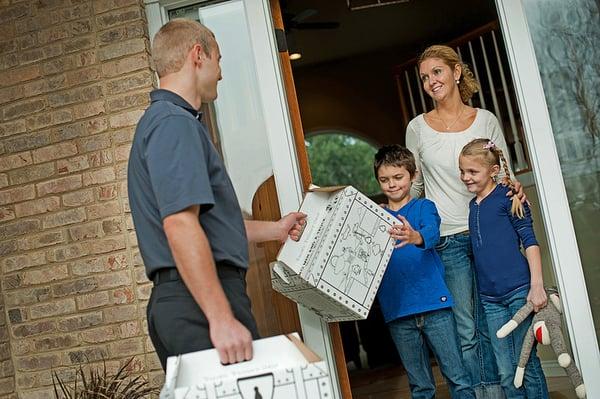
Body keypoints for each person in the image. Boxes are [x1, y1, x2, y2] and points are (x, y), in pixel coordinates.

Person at [127, 19, 306, 371]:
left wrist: (275, 230)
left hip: (190, 301)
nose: (221, 72)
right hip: (197, 305)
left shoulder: (171, 122)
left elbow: (208, 225)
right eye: (219, 60)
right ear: (198, 55)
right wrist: (220, 317)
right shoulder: (173, 124)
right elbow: (180, 224)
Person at [406, 44, 526, 399]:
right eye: (424, 77)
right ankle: (481, 394)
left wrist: (516, 196)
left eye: (437, 72)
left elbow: (503, 173)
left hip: (489, 233)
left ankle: (505, 390)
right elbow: (414, 185)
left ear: (456, 72)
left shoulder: (486, 120)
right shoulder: (418, 128)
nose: (431, 82)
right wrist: (399, 220)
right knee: (466, 329)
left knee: (496, 320)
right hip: (447, 239)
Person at [375, 144, 475, 399]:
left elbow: (431, 233)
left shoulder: (424, 207)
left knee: (458, 379)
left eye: (398, 177)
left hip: (435, 306)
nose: (392, 184)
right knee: (420, 387)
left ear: (413, 176)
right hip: (397, 311)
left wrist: (414, 235)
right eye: (384, 179)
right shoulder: (375, 216)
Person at [459, 138, 549, 398]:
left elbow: (530, 242)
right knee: (505, 368)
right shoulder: (472, 205)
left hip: (519, 292)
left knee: (526, 363)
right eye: (462, 171)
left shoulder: (508, 197)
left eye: (472, 171)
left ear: (493, 171)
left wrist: (537, 286)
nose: (465, 177)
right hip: (491, 300)